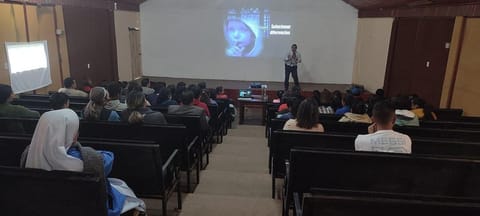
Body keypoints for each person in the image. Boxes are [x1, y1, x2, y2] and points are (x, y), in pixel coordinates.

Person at [22, 109, 146, 216]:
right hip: (86, 207)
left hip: (43, 207)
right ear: (70, 133)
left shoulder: (27, 154)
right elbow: (107, 160)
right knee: (125, 190)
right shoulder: (86, 160)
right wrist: (80, 148)